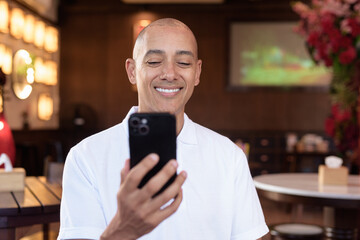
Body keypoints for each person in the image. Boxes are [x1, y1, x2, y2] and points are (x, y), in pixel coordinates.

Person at [58, 18, 269, 240]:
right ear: (132, 71)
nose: (169, 74)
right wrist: (124, 230)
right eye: (154, 61)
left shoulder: (229, 156)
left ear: (197, 73)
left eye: (184, 63)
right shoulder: (85, 157)